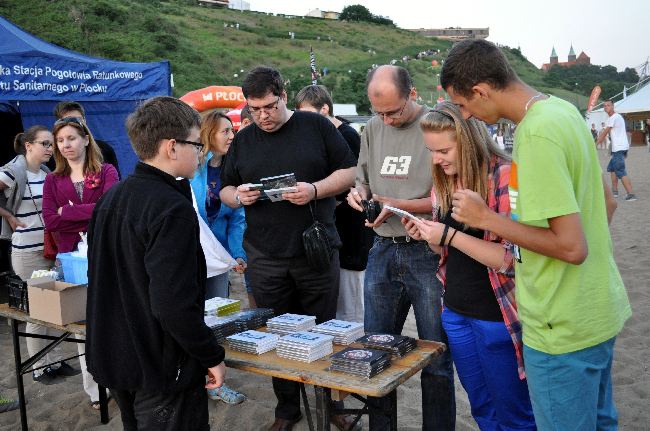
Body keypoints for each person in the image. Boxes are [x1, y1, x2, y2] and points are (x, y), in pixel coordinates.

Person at [440, 38, 631, 431]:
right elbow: (607, 203)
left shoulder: (534, 135)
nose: (468, 116)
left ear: (481, 91)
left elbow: (571, 247)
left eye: (463, 105)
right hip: (596, 308)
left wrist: (487, 219)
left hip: (558, 325)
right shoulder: (564, 113)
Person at [220, 66, 357, 431]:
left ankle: (331, 407)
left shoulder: (317, 127)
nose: (263, 116)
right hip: (265, 256)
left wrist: (314, 190)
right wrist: (239, 196)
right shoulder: (244, 138)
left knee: (325, 332)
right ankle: (286, 410)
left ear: (284, 95)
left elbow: (351, 172)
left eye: (269, 106)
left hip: (315, 250)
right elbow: (225, 190)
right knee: (275, 335)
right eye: (255, 109)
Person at [86, 96, 226, 430]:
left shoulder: (112, 197)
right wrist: (211, 356)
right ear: (171, 147)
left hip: (115, 357)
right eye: (197, 143)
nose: (201, 151)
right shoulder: (170, 208)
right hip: (159, 367)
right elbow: (172, 304)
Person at [404, 102, 535, 431]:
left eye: (444, 150)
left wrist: (448, 235)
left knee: (515, 414)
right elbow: (446, 251)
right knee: (482, 408)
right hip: (456, 312)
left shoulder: (504, 174)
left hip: (497, 316)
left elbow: (512, 260)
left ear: (469, 140)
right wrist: (428, 236)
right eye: (431, 151)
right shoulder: (445, 181)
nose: (436, 159)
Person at [346, 65, 455, 431]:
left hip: (427, 251)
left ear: (412, 95)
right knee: (375, 352)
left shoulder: (437, 126)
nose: (386, 120)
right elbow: (362, 179)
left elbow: (451, 198)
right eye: (379, 112)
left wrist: (399, 203)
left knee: (436, 357)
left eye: (393, 111)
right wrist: (360, 197)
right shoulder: (373, 128)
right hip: (382, 248)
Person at [42, 116, 118, 408]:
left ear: (86, 138)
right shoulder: (53, 179)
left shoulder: (106, 170)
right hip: (70, 261)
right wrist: (88, 212)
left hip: (105, 254)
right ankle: (95, 389)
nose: (66, 145)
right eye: (60, 141)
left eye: (71, 138)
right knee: (80, 326)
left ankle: (117, 377)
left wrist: (68, 212)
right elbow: (50, 220)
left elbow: (110, 206)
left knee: (110, 319)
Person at [0, 126, 80, 385]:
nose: (50, 148)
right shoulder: (14, 171)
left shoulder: (45, 172)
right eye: (45, 144)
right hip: (26, 252)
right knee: (38, 310)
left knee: (53, 309)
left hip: (48, 248)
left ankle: (54, 361)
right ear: (28, 146)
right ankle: (38, 368)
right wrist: (8, 215)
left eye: (50, 144)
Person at [295, 84, 373, 323]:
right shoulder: (318, 135)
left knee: (352, 308)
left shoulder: (347, 136)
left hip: (352, 233)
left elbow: (354, 183)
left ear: (325, 109)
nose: (304, 121)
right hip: (332, 232)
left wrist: (318, 195)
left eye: (308, 113)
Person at [189, 111, 247, 406]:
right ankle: (190, 378)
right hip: (190, 256)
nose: (231, 136)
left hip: (219, 257)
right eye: (225, 131)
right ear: (209, 133)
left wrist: (237, 252)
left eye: (232, 131)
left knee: (216, 318)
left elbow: (238, 217)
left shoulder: (231, 170)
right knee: (190, 317)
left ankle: (216, 382)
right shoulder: (191, 168)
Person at [53, 101, 121, 178]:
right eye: (68, 120)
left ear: (85, 120)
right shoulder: (53, 157)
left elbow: (117, 187)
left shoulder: (105, 149)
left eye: (78, 119)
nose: (74, 124)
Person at [597, 100, 637, 201]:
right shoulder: (612, 118)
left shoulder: (614, 117)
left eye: (608, 105)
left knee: (620, 170)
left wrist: (594, 144)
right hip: (618, 148)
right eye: (604, 106)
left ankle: (631, 194)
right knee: (612, 168)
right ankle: (614, 192)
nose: (606, 107)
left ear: (613, 106)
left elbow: (604, 133)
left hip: (619, 148)